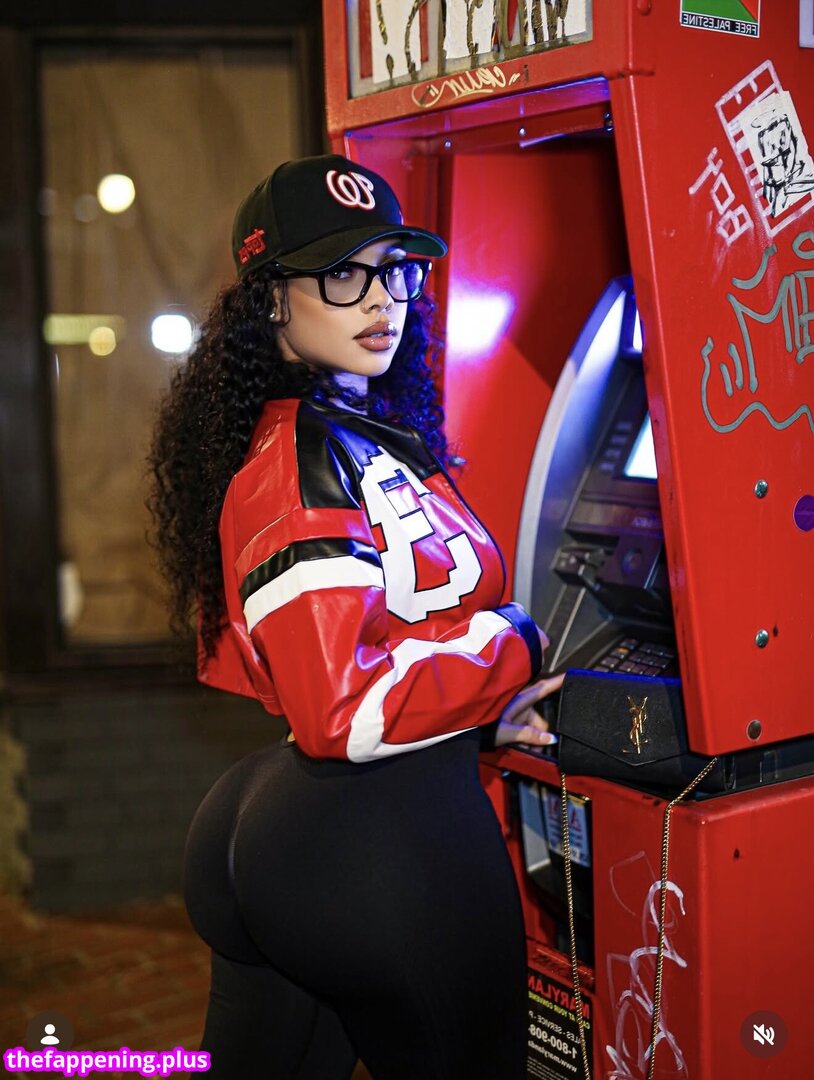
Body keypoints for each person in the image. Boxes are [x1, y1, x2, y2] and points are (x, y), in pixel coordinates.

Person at [148, 154, 563, 1080]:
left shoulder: (345, 435)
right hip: (377, 846)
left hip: (316, 827)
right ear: (271, 300)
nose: (381, 299)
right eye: (342, 274)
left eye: (393, 269)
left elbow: (379, 647)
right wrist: (512, 643)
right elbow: (345, 711)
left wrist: (475, 718)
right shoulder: (298, 463)